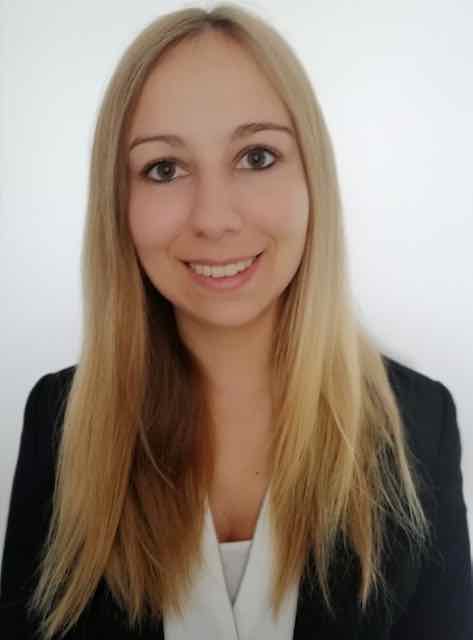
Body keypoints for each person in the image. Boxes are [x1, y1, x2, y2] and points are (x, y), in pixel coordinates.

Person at [1, 3, 472, 639]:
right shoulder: (61, 422)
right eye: (164, 169)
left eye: (256, 157)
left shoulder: (419, 424)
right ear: (120, 203)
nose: (214, 219)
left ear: (312, 179)